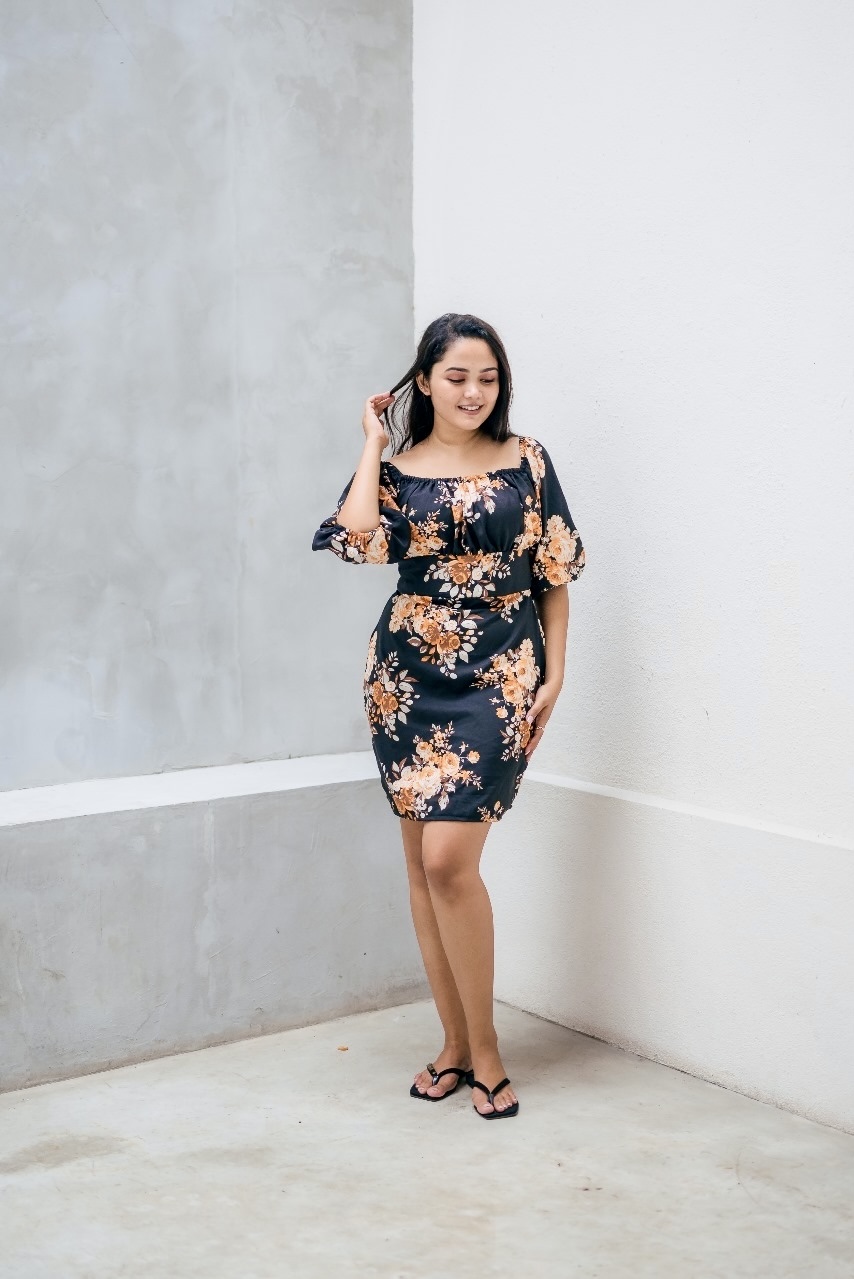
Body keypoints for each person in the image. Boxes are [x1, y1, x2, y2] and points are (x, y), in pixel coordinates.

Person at [312, 313, 586, 1119]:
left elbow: (554, 570)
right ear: (425, 381)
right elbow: (355, 540)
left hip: (500, 671)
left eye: (488, 377)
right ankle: (455, 1043)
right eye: (457, 376)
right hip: (407, 676)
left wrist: (555, 671)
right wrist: (373, 441)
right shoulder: (397, 472)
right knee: (419, 866)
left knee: (447, 862)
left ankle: (488, 1049)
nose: (474, 391)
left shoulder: (528, 460)